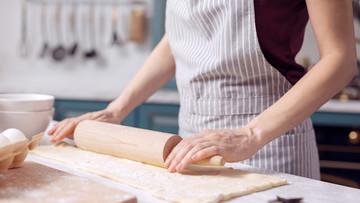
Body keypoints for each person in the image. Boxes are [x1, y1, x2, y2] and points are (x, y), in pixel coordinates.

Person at [48, 0, 356, 179]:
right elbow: (179, 39)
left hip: (269, 143)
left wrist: (250, 135)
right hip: (190, 142)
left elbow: (340, 58)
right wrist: (117, 109)